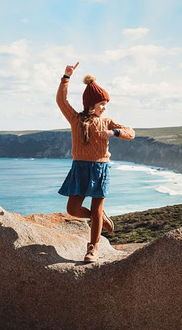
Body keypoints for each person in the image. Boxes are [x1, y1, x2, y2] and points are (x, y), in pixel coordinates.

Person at [56, 62, 135, 263]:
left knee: (97, 209)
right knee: (72, 210)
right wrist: (66, 77)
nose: (104, 107)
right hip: (80, 168)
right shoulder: (76, 119)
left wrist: (114, 132)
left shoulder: (107, 121)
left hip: (100, 168)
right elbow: (61, 100)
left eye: (105, 104)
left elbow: (131, 133)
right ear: (91, 104)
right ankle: (96, 217)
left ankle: (93, 248)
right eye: (101, 104)